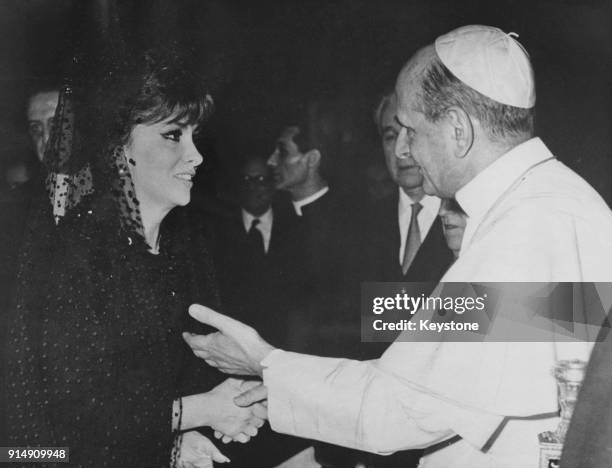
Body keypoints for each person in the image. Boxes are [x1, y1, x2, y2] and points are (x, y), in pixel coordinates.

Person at [184, 25, 612, 467]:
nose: (403, 149)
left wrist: (264, 361)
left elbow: (405, 405)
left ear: (459, 130)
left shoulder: (523, 231)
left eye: (409, 129)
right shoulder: (557, 203)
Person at [4, 46, 264, 468]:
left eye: (195, 135)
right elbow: (73, 422)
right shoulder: (76, 253)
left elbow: (158, 388)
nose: (195, 155)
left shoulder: (185, 247)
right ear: (117, 148)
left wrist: (185, 438)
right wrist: (204, 410)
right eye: (173, 135)